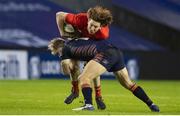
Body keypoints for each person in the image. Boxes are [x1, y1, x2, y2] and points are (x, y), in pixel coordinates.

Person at [48, 38, 160, 112]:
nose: (58, 54)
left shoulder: (65, 48)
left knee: (83, 78)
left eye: (57, 52)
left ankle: (88, 105)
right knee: (128, 84)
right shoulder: (77, 43)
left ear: (59, 48)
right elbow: (94, 73)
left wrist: (64, 61)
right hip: (116, 52)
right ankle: (152, 104)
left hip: (105, 53)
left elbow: (66, 70)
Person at [55, 5, 113, 110]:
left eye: (96, 27)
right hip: (78, 41)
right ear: (88, 19)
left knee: (92, 69)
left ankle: (98, 97)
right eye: (91, 25)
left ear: (100, 26)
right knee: (72, 67)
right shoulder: (79, 19)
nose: (92, 29)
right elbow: (59, 15)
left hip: (92, 45)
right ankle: (75, 91)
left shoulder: (103, 34)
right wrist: (63, 33)